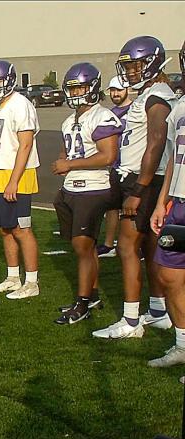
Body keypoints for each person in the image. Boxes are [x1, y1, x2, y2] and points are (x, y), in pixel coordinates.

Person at [93, 36, 177, 340]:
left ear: (151, 62)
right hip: (143, 179)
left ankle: (130, 321)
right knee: (149, 248)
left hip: (145, 180)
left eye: (135, 64)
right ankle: (158, 311)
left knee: (127, 248)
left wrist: (139, 189)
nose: (129, 71)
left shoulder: (157, 96)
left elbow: (156, 140)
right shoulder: (150, 93)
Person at [50, 63, 122, 325]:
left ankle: (82, 304)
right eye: (72, 88)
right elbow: (68, 150)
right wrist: (63, 160)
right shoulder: (70, 120)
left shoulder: (102, 116)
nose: (75, 92)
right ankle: (91, 295)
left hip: (93, 187)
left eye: (79, 87)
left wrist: (69, 164)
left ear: (92, 87)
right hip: (71, 188)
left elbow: (108, 155)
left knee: (83, 245)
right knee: (84, 246)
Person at [0, 60, 42, 299]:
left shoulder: (21, 104)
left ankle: (32, 282)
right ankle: (13, 277)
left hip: (19, 174)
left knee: (21, 229)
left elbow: (25, 144)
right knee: (5, 229)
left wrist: (14, 180)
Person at [148, 41, 185, 367]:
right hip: (179, 203)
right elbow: (175, 157)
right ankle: (182, 344)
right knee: (169, 275)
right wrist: (163, 201)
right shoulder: (180, 107)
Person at [98, 75, 134, 257]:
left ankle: (136, 245)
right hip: (115, 165)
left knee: (132, 208)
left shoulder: (137, 110)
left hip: (132, 167)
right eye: (112, 90)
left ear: (127, 90)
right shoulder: (109, 113)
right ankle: (109, 244)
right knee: (112, 206)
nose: (115, 94)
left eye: (119, 90)